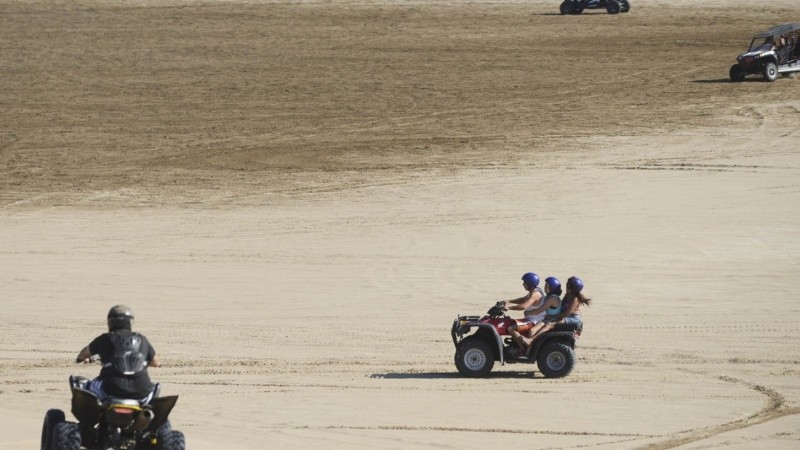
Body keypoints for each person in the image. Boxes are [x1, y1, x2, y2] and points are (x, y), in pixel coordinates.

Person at [75, 305, 161, 401]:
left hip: (112, 388)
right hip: (142, 389)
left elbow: (83, 354)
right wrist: (141, 362)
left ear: (110, 321)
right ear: (130, 321)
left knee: (85, 385)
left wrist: (80, 359)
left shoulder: (105, 338)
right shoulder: (141, 339)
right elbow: (156, 363)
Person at [526, 276, 591, 353]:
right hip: (565, 316)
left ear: (572, 288)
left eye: (568, 286)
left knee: (549, 324)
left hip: (573, 318)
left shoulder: (575, 299)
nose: (566, 287)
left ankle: (531, 340)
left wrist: (553, 317)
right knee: (547, 321)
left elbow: (568, 312)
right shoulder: (567, 295)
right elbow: (561, 307)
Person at [501, 273, 545, 356]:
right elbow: (523, 299)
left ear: (530, 284)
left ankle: (522, 350)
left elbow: (524, 305)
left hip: (533, 321)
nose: (523, 284)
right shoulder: (533, 291)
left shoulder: (535, 294)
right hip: (530, 319)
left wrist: (509, 308)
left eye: (525, 283)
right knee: (509, 322)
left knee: (511, 329)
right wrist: (509, 301)